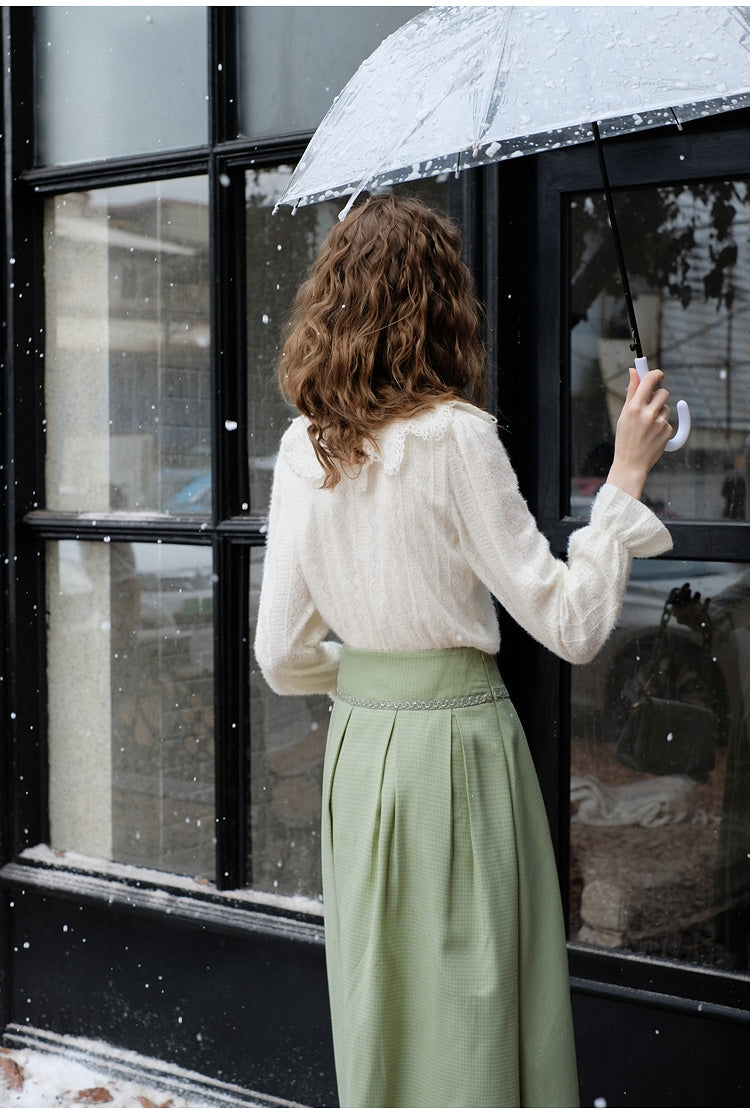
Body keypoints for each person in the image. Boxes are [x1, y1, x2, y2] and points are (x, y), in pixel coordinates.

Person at [255, 195, 673, 1109]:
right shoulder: (455, 437)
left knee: (383, 1006)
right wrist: (628, 472)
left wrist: (373, 679)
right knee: (477, 1015)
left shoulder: (300, 450)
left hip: (361, 758)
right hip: (458, 755)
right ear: (442, 307)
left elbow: (280, 657)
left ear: (332, 303)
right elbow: (571, 625)